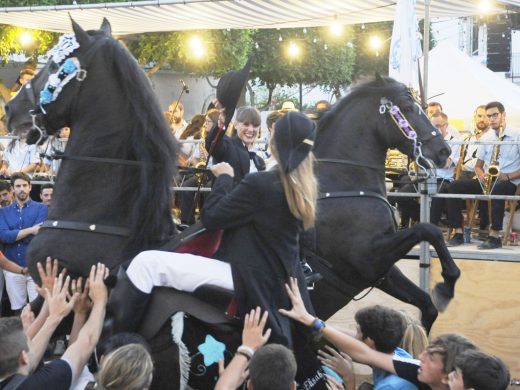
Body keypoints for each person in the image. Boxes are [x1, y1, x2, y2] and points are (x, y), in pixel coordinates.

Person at [109, 112, 325, 388]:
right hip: (274, 279)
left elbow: (212, 217)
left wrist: (224, 178)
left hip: (245, 277)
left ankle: (115, 348)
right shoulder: (303, 185)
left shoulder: (262, 183)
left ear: (275, 141)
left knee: (146, 263)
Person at [280, 277, 478, 390]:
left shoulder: (392, 387)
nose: (422, 355)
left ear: (448, 377)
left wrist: (349, 384)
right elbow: (363, 352)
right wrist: (310, 321)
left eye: (432, 357)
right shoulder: (406, 361)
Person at [0, 263, 108, 390]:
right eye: (30, 341)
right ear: (24, 357)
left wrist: (51, 305)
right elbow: (85, 344)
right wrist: (100, 301)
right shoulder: (41, 384)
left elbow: (31, 356)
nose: (33, 343)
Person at [446, 102, 520, 249]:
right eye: (489, 116)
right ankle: (458, 233)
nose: (491, 119)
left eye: (495, 115)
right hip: (487, 181)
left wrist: (507, 176)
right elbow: (478, 166)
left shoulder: (517, 135)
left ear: (503, 115)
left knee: (497, 189)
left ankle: (494, 236)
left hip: (509, 182)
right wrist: (481, 175)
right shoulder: (486, 138)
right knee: (454, 186)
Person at [0, 173, 47, 313]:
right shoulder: (3, 212)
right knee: (18, 310)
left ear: (30, 187)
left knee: (37, 310)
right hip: (12, 266)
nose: (22, 189)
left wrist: (15, 234)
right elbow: (4, 237)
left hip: (35, 266)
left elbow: (39, 235)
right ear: (12, 189)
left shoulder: (42, 208)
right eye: (18, 186)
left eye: (25, 185)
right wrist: (31, 230)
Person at [206, 106, 265, 186]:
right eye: (246, 124)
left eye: (255, 126)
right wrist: (222, 121)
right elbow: (212, 144)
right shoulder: (227, 145)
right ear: (236, 124)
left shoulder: (259, 160)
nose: (251, 129)